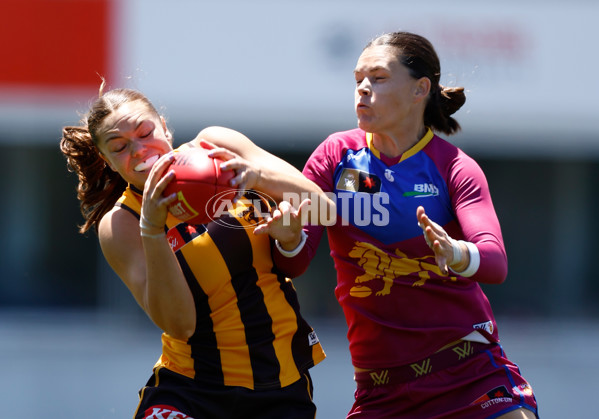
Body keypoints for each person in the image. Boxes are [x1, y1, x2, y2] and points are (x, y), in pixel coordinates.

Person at [260, 31, 539, 418]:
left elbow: (495, 261)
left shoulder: (454, 168)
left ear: (419, 89)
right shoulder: (335, 157)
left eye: (378, 78)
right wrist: (289, 239)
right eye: (357, 78)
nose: (362, 89)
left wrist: (454, 252)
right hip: (381, 393)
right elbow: (296, 260)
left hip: (469, 376)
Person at [59, 85, 328, 419]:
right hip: (190, 389)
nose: (140, 150)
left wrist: (259, 178)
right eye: (120, 147)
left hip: (280, 383)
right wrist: (152, 230)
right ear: (108, 162)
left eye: (146, 132)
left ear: (165, 125)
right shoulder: (122, 225)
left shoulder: (217, 145)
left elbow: (323, 206)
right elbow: (179, 324)